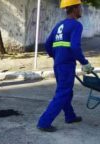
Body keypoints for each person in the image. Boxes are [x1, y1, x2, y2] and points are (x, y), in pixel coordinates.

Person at [37, 0, 94, 132]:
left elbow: (48, 44)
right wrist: (84, 62)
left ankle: (70, 116)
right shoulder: (76, 25)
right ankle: (44, 122)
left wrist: (55, 55)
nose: (81, 10)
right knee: (63, 92)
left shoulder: (59, 25)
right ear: (74, 8)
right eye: (79, 7)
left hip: (58, 64)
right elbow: (75, 46)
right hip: (66, 65)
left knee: (66, 91)